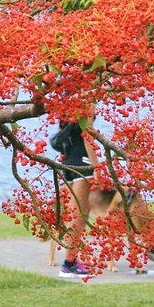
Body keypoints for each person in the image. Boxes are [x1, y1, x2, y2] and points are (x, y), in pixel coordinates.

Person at [55, 116, 100, 277]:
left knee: (73, 214)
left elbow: (61, 131)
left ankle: (71, 261)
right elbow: (87, 137)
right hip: (83, 162)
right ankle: (69, 263)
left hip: (68, 161)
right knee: (79, 216)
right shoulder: (88, 99)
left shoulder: (66, 97)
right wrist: (97, 167)